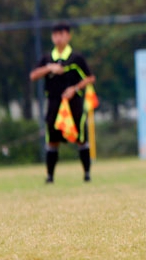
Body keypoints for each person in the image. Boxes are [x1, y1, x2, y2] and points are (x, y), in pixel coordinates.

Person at [28, 22, 96, 183]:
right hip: (54, 103)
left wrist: (74, 88)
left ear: (68, 36)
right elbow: (33, 76)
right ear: (52, 37)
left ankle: (86, 174)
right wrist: (49, 68)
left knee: (81, 137)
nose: (58, 38)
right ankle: (50, 176)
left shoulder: (76, 57)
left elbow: (90, 77)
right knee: (52, 139)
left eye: (62, 34)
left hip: (74, 103)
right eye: (55, 35)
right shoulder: (47, 58)